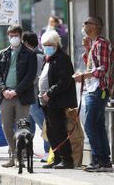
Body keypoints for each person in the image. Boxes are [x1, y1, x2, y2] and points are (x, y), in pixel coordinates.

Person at [73, 16, 114, 172]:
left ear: (96, 26)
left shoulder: (101, 44)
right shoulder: (94, 44)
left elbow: (102, 68)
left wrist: (83, 76)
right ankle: (104, 160)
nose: (84, 25)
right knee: (97, 125)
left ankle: (98, 159)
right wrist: (86, 50)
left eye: (87, 23)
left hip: (98, 90)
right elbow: (91, 64)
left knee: (90, 125)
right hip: (93, 89)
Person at [0, 24, 37, 168]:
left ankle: (21, 157)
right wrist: (4, 89)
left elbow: (30, 76)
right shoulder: (3, 53)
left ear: (21, 36)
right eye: (10, 36)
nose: (13, 38)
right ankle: (14, 154)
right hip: (5, 96)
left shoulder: (30, 54)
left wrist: (16, 91)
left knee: (22, 128)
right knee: (6, 127)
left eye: (15, 35)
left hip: (22, 96)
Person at [38, 30, 78, 169]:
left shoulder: (62, 58)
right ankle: (56, 157)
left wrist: (49, 93)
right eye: (44, 45)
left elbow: (64, 80)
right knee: (50, 131)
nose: (47, 47)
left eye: (49, 44)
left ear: (56, 44)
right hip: (46, 101)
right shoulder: (48, 58)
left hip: (56, 100)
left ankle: (66, 159)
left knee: (59, 129)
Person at [21, 31, 50, 161]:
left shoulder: (36, 56)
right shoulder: (36, 55)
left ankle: (49, 151)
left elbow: (36, 78)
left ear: (26, 43)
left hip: (35, 97)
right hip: (29, 97)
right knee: (29, 126)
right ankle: (27, 150)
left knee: (44, 125)